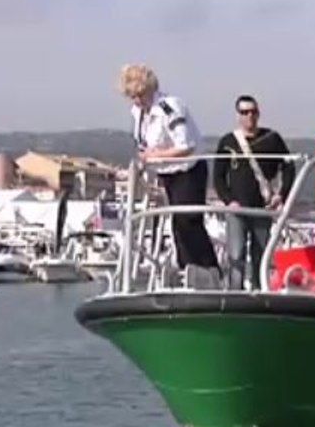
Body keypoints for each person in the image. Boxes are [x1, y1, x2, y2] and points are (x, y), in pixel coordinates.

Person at [119, 64, 220, 287]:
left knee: (188, 222)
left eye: (140, 95)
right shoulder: (138, 113)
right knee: (176, 226)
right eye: (132, 96)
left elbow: (186, 145)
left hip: (187, 170)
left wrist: (157, 155)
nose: (136, 100)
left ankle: (210, 273)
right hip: (166, 173)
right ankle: (188, 271)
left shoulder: (169, 107)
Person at [213, 95, 294, 290]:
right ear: (238, 115)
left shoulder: (272, 139)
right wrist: (228, 200)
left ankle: (259, 293)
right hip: (237, 210)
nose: (249, 116)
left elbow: (289, 166)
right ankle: (234, 295)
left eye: (253, 112)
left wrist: (281, 194)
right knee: (236, 254)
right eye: (244, 112)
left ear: (258, 113)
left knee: (261, 255)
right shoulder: (228, 142)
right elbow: (218, 176)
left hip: (262, 208)